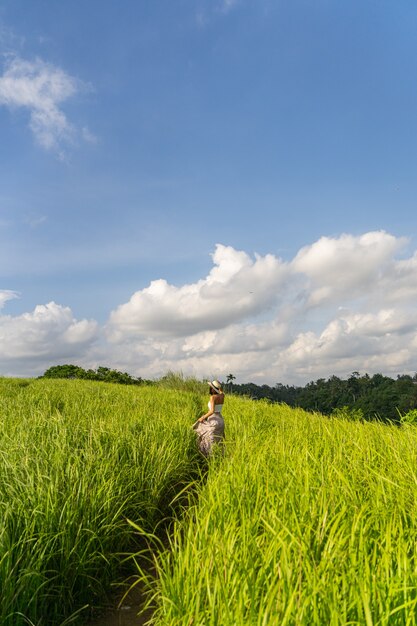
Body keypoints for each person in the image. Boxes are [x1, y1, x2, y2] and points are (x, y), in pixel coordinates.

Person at [193, 380, 225, 457]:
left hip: (214, 420)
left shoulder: (213, 397)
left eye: (211, 387)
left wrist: (203, 417)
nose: (210, 388)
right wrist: (219, 387)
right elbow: (221, 391)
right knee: (219, 440)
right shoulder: (222, 395)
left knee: (205, 436)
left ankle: (207, 457)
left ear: (213, 389)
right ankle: (219, 457)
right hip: (221, 420)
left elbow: (212, 411)